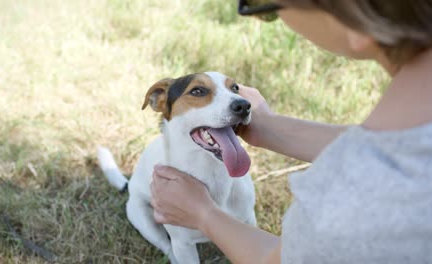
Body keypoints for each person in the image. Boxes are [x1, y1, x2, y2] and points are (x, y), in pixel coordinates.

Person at [149, 1, 432, 263]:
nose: (264, 16)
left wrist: (203, 214)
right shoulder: (405, 148)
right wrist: (270, 126)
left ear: (355, 18)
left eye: (265, 6)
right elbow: (390, 145)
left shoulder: (350, 195)